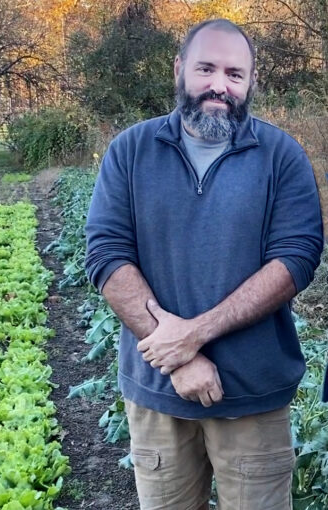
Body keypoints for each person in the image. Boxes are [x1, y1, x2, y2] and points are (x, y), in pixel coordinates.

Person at [84, 18, 324, 510]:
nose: (220, 85)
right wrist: (181, 357)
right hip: (157, 393)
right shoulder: (130, 151)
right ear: (180, 70)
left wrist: (194, 334)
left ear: (252, 81)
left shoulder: (281, 156)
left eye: (235, 74)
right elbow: (107, 253)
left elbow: (296, 258)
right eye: (206, 69)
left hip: (254, 398)